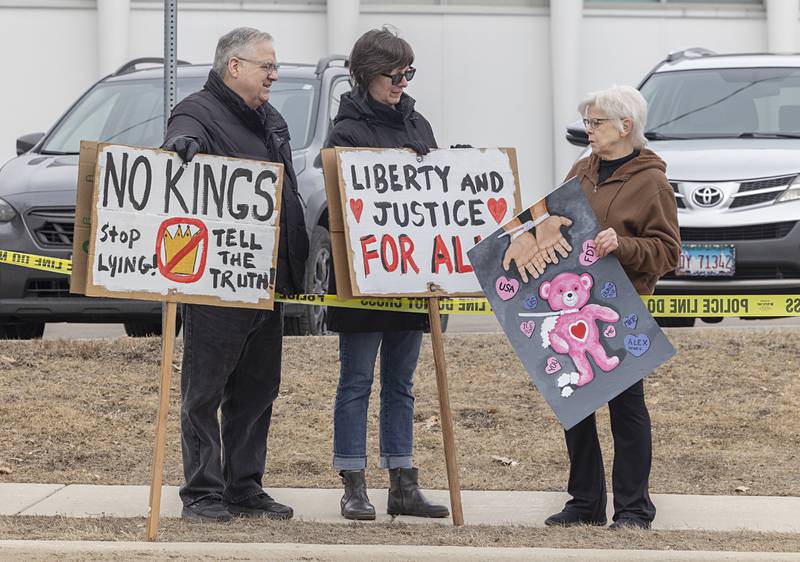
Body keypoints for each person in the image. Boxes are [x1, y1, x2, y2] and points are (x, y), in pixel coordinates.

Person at [162, 27, 309, 522]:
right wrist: (181, 144)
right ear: (234, 66)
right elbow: (179, 139)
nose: (274, 75)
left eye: (274, 66)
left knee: (257, 390)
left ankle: (244, 486)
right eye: (267, 65)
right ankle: (202, 492)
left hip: (266, 280)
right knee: (204, 393)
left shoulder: (271, 120)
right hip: (216, 285)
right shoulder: (197, 112)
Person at [324, 27, 450, 521]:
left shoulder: (419, 124)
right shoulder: (345, 131)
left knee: (401, 384)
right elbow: (341, 201)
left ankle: (403, 483)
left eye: (407, 73)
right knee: (356, 381)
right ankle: (353, 483)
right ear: (365, 75)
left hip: (410, 277)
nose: (402, 83)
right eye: (393, 75)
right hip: (362, 280)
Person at [544, 85, 680, 530]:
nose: (589, 129)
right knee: (575, 403)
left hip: (622, 308)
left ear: (626, 126)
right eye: (587, 121)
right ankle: (585, 502)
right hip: (572, 309)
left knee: (626, 409)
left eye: (596, 121)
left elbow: (668, 252)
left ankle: (634, 509)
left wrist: (622, 245)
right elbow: (559, 224)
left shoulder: (652, 182)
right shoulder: (581, 171)